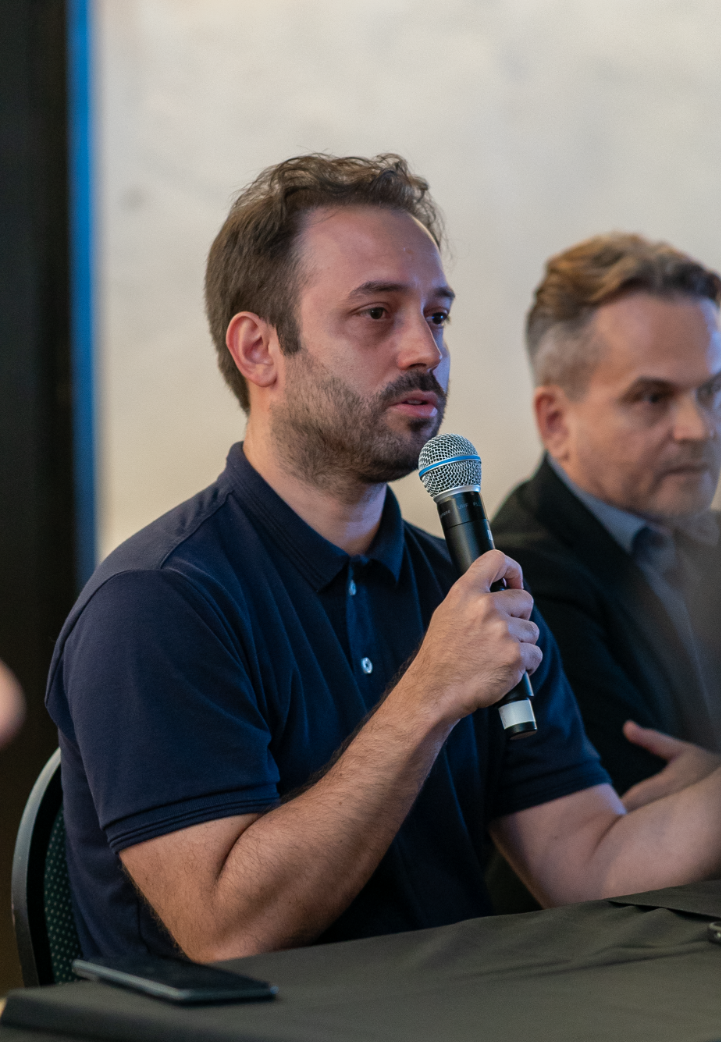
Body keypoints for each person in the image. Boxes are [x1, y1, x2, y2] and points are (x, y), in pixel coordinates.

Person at [48, 159, 721, 964]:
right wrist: (431, 692)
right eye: (375, 313)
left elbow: (589, 866)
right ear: (258, 349)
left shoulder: (467, 586)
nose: (423, 351)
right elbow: (226, 929)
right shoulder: (159, 603)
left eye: (436, 317)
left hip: (458, 1032)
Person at [493, 233, 721, 797]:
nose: (700, 429)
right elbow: (638, 804)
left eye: (713, 390)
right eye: (652, 398)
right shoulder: (519, 579)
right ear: (555, 421)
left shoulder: (706, 532)